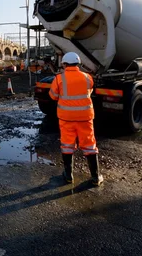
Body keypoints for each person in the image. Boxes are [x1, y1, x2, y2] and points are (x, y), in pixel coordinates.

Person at [48, 52, 103, 186]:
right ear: (78, 64)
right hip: (85, 117)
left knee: (67, 145)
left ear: (64, 64)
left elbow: (53, 96)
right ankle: (96, 177)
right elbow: (89, 92)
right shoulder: (87, 77)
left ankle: (68, 176)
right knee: (89, 145)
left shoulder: (59, 79)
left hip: (66, 118)